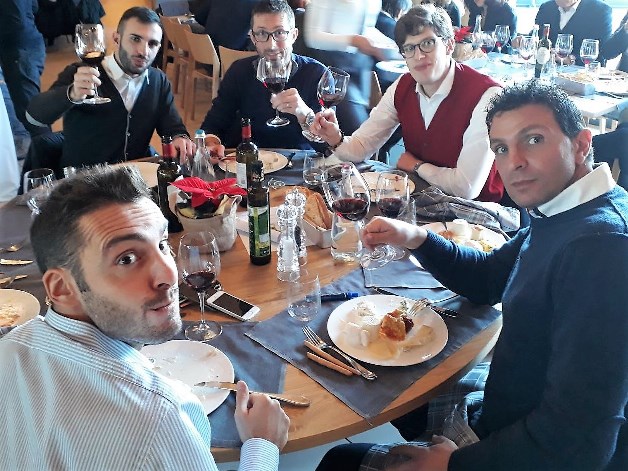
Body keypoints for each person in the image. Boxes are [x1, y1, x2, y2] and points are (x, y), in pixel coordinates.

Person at [315, 80, 628, 471]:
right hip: (504, 401)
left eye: (533, 140)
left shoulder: (602, 247)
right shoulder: (565, 210)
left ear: (581, 144)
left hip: (530, 444)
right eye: (501, 148)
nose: (513, 162)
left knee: (340, 462)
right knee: (392, 384)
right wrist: (416, 238)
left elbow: (579, 439)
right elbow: (488, 279)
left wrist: (454, 465)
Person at [0, 165, 290, 468]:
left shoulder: (9, 348)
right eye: (127, 258)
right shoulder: (161, 418)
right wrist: (262, 445)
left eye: (162, 244)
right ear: (62, 288)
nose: (170, 274)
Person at [311, 4, 504, 202]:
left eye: (427, 43)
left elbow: (466, 187)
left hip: (475, 212)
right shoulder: (403, 86)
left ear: (449, 45)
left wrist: (416, 166)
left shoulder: (486, 95)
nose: (418, 56)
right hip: (417, 201)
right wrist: (336, 138)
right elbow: (361, 147)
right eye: (409, 48)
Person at [26, 7, 193, 171]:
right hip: (84, 180)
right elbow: (34, 117)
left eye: (152, 43)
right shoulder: (81, 74)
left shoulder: (158, 80)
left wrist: (180, 137)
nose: (143, 51)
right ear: (116, 38)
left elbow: (172, 127)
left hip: (136, 176)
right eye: (135, 39)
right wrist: (71, 94)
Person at [200, 0, 328, 151]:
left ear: (293, 35)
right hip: (249, 160)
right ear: (253, 38)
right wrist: (211, 145)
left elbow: (326, 147)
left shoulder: (317, 74)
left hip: (300, 162)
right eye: (262, 34)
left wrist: (305, 115)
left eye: (279, 33)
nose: (271, 45)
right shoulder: (239, 72)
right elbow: (212, 126)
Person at [303, 0, 396, 135]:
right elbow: (312, 37)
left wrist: (392, 47)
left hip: (361, 67)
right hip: (334, 68)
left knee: (395, 121)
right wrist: (353, 40)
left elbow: (367, 27)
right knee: (359, 131)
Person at [0, 0, 46, 139]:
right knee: (28, 110)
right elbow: (34, 7)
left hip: (19, 50)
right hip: (28, 43)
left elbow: (15, 21)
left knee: (31, 115)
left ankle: (46, 149)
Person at [533, 0, 612, 66]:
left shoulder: (600, 11)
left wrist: (571, 59)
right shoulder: (546, 7)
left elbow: (602, 52)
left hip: (581, 74)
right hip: (547, 70)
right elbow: (536, 37)